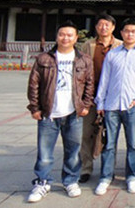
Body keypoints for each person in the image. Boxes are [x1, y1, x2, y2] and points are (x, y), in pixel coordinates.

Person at [26, 21, 94, 203]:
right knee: (44, 152)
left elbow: (89, 84)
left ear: (76, 38)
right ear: (57, 36)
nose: (65, 38)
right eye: (62, 34)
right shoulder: (44, 59)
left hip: (73, 112)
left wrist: (86, 105)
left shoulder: (84, 59)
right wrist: (35, 107)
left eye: (70, 35)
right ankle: (42, 182)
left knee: (73, 150)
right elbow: (34, 84)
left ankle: (70, 180)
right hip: (49, 113)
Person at [94, 18, 135, 196]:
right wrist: (100, 102)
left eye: (134, 31)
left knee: (133, 144)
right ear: (121, 33)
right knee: (109, 144)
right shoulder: (112, 54)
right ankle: (105, 177)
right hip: (111, 105)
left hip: (132, 106)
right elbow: (104, 79)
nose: (130, 34)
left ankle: (132, 176)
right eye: (127, 31)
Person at [79, 14, 122, 183]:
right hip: (91, 95)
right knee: (87, 134)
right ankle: (86, 168)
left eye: (107, 25)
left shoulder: (120, 45)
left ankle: (108, 169)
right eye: (100, 25)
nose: (104, 28)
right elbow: (80, 69)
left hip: (113, 96)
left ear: (113, 27)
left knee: (110, 135)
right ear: (96, 27)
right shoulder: (88, 45)